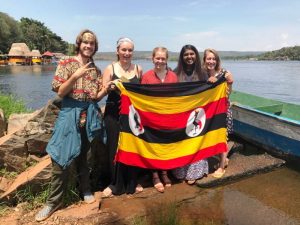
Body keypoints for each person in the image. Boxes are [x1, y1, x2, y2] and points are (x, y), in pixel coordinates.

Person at [35, 29, 111, 222]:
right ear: (79, 43)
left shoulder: (95, 69)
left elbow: (93, 97)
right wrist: (75, 76)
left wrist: (106, 90)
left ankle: (85, 189)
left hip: (88, 115)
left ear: (95, 47)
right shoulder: (66, 62)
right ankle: (53, 203)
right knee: (60, 157)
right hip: (69, 113)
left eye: (92, 43)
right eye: (85, 42)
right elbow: (60, 92)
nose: (88, 46)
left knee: (84, 155)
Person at [102, 37, 143, 197]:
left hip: (133, 115)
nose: (127, 53)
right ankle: (115, 184)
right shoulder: (110, 68)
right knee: (114, 148)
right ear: (117, 51)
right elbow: (103, 89)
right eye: (123, 50)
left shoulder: (138, 69)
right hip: (114, 114)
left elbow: (142, 92)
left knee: (133, 147)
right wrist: (110, 86)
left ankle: (133, 181)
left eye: (130, 50)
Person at [141, 47, 178, 193]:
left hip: (168, 118)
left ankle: (164, 172)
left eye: (163, 59)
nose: (160, 61)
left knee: (165, 145)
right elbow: (141, 97)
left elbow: (177, 97)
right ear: (152, 59)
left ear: (166, 60)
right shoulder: (147, 76)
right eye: (157, 58)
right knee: (153, 146)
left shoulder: (173, 77)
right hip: (151, 117)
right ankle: (155, 175)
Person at [172, 44, 209, 185]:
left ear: (196, 56)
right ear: (182, 57)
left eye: (192, 54)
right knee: (182, 143)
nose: (189, 57)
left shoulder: (203, 73)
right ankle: (180, 172)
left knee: (196, 142)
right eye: (186, 54)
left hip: (198, 114)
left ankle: (195, 172)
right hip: (181, 114)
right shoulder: (175, 74)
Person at [202, 48, 234, 178]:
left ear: (217, 60)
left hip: (222, 110)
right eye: (208, 58)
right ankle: (224, 160)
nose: (211, 61)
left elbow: (227, 93)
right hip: (209, 111)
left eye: (214, 59)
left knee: (221, 137)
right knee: (212, 136)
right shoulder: (202, 74)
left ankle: (221, 167)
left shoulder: (224, 74)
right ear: (204, 60)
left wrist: (230, 82)